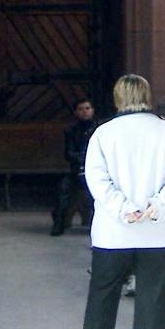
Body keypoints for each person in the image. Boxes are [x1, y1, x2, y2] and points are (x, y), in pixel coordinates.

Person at [72, 75, 165, 329]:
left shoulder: (104, 132)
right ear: (148, 96)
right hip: (159, 229)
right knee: (154, 295)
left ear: (117, 98)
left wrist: (123, 209)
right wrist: (158, 206)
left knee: (103, 292)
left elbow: (96, 178)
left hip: (115, 231)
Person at [51, 99, 97, 236]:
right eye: (81, 109)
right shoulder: (71, 130)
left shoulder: (99, 128)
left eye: (88, 108)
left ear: (93, 110)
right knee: (62, 190)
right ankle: (59, 224)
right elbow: (69, 153)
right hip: (76, 171)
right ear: (76, 112)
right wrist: (83, 159)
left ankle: (97, 227)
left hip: (96, 171)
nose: (85, 111)